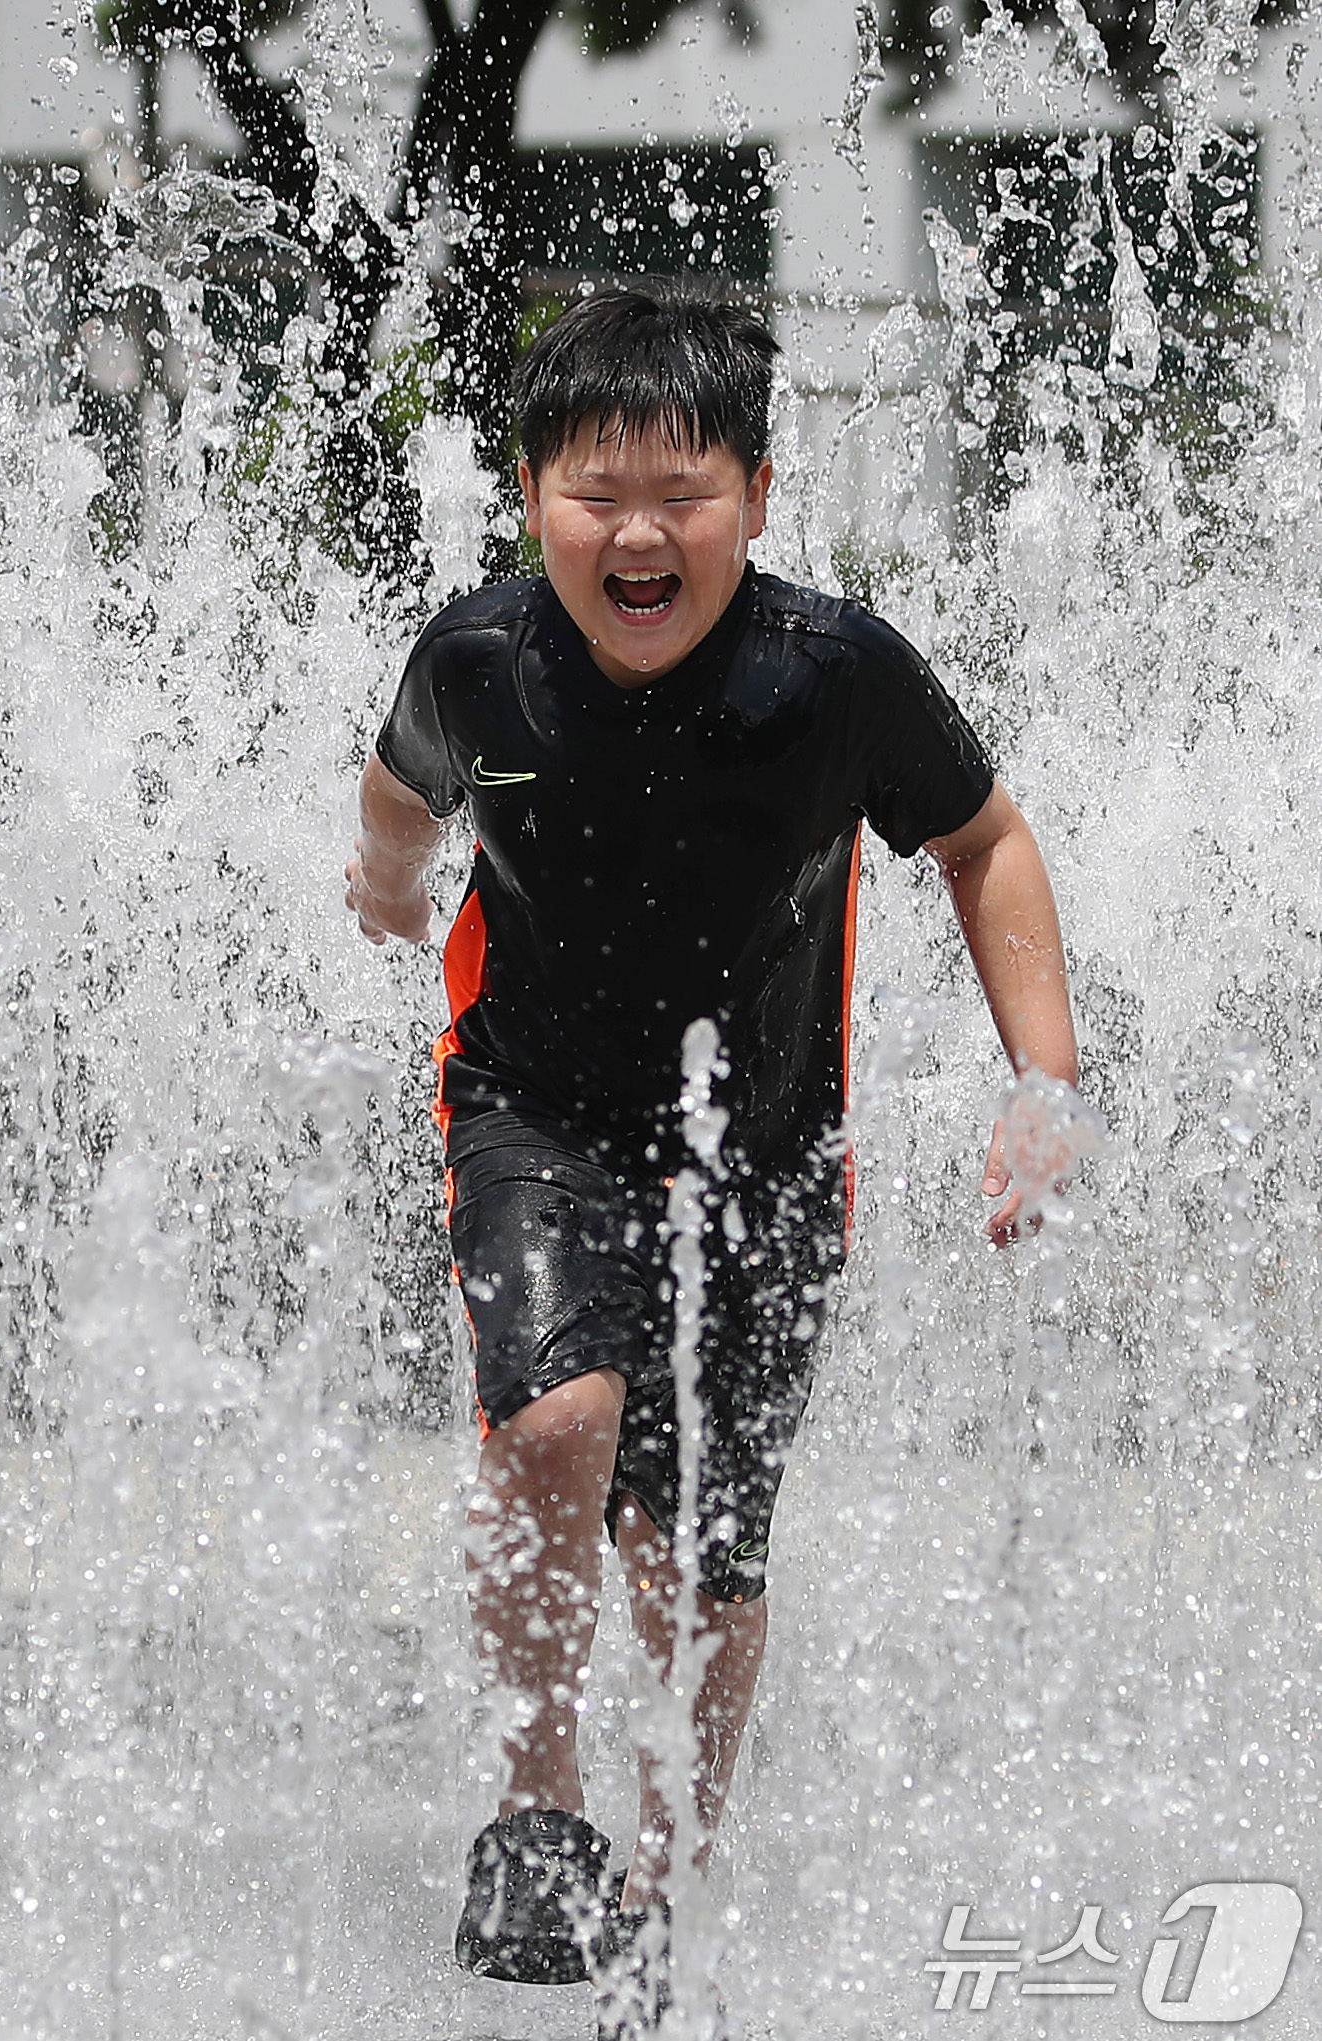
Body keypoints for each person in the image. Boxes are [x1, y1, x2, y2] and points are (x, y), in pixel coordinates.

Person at [344, 283, 1078, 2038]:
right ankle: (537, 1814)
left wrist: (1043, 1076)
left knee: (695, 1560)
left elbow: (984, 842)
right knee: (556, 1422)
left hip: (767, 1156)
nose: (640, 535)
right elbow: (398, 792)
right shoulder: (478, 663)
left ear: (757, 492)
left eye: (684, 492)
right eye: (596, 493)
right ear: (532, 497)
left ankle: (664, 1879)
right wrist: (385, 889)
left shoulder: (832, 677)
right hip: (530, 1108)